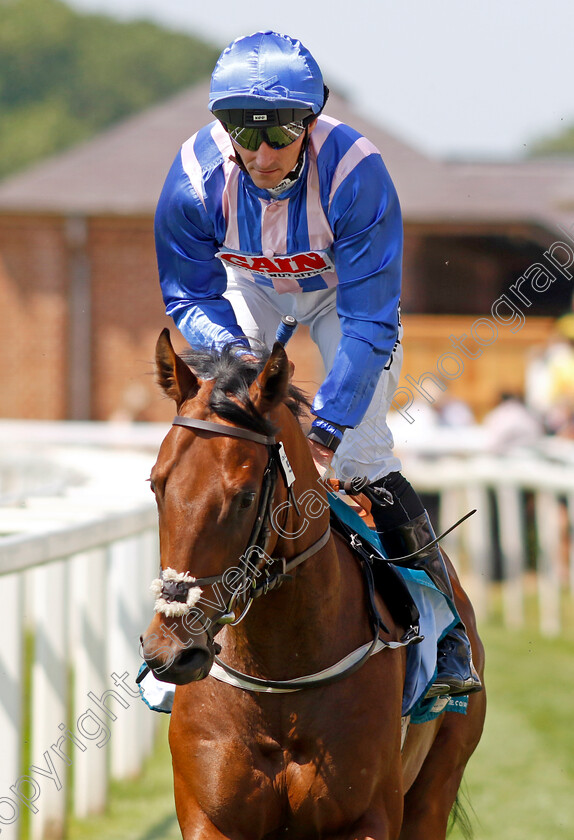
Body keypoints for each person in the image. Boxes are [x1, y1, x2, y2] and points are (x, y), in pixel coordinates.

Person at [154, 31, 481, 698]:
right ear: (223, 126)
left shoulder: (357, 172)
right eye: (246, 132)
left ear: (311, 120)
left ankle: (446, 633)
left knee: (362, 455)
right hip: (243, 286)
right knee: (216, 439)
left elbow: (369, 321)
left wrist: (326, 429)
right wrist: (238, 370)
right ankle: (178, 619)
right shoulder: (192, 179)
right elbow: (189, 295)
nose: (264, 152)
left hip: (345, 297)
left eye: (282, 132)